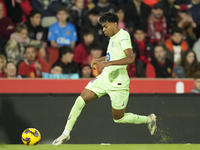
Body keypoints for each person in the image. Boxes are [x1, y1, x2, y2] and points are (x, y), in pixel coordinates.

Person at [52, 12, 157, 146]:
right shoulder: (112, 37)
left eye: (105, 26)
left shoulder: (123, 35)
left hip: (118, 82)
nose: (103, 30)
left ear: (114, 24)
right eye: (102, 27)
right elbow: (112, 57)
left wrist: (108, 63)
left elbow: (130, 58)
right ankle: (65, 134)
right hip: (105, 78)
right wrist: (100, 60)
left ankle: (148, 119)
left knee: (118, 118)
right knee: (80, 100)